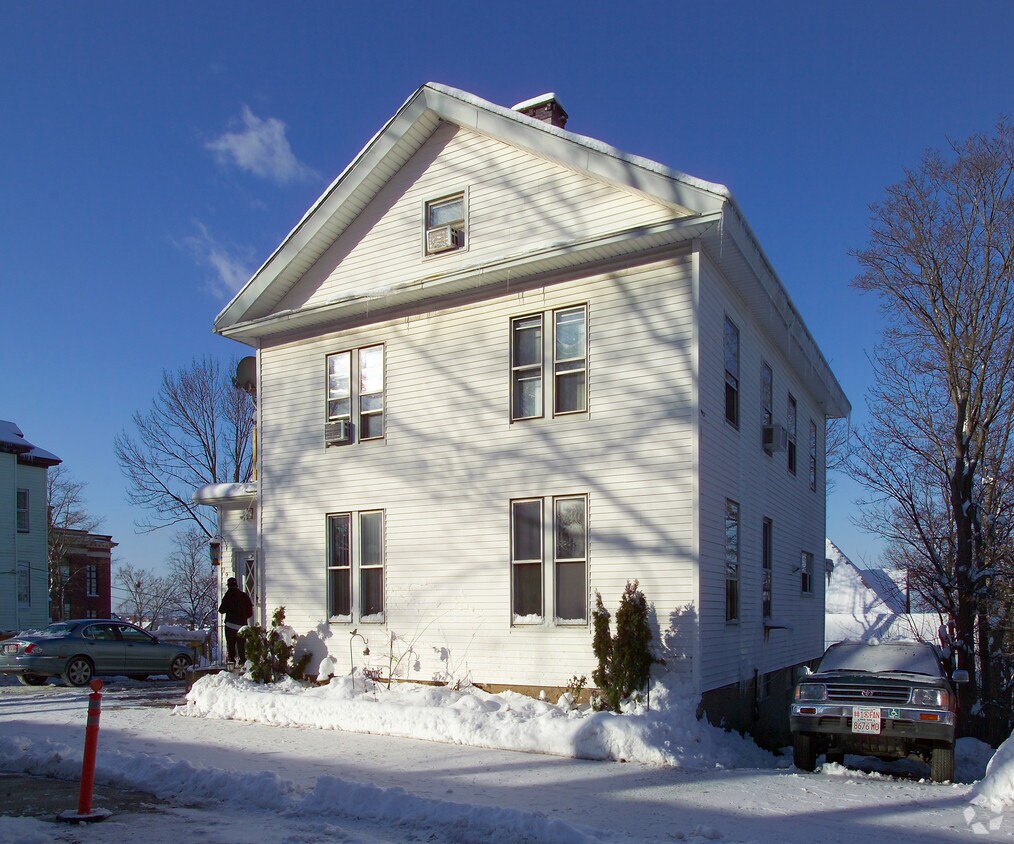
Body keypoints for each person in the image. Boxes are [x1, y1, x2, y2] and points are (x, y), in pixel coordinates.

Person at [219, 577, 254, 665]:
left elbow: (221, 610)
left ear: (228, 586)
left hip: (230, 625)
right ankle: (243, 662)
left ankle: (232, 662)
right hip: (241, 626)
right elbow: (250, 613)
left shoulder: (227, 596)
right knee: (241, 646)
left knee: (231, 645)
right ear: (237, 585)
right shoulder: (244, 596)